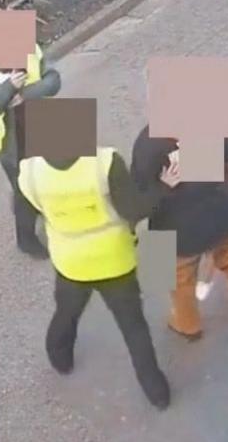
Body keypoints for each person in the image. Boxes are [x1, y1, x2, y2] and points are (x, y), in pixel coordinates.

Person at [16, 138, 178, 409]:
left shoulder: (30, 172)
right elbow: (134, 210)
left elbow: (24, 218)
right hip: (114, 260)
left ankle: (60, 357)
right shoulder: (104, 163)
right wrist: (162, 187)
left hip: (71, 262)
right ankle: (156, 391)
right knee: (133, 327)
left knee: (66, 313)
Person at [130, 129, 228, 341]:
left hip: (176, 230)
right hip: (220, 212)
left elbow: (140, 198)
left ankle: (187, 324)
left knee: (178, 279)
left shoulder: (149, 144)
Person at [0, 0, 61, 259]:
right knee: (24, 190)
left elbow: (53, 81)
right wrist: (9, 89)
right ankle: (26, 238)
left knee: (67, 173)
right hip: (11, 142)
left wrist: (25, 94)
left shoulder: (29, 49)